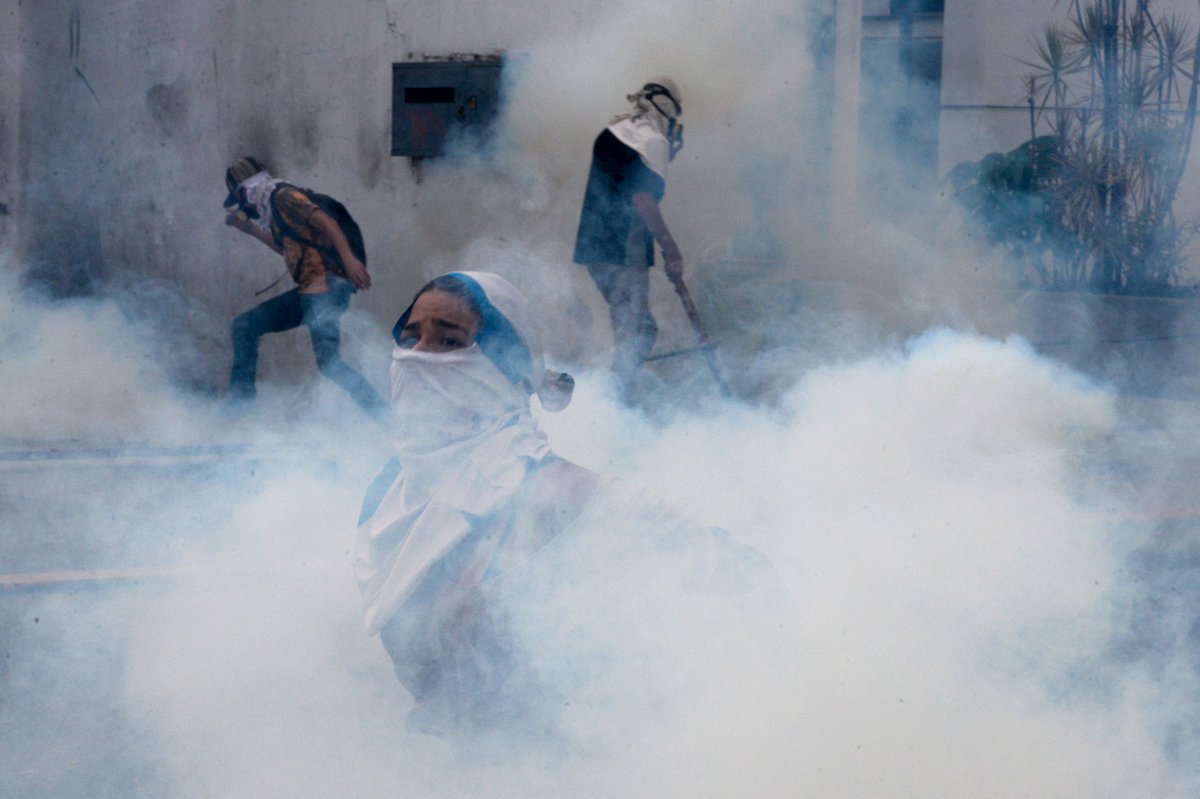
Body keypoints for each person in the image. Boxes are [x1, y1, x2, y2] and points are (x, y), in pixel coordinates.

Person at [354, 271, 792, 740]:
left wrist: (812, 714)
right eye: (409, 336)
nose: (419, 357)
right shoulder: (391, 498)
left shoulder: (568, 495)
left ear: (506, 369)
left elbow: (748, 574)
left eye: (449, 341)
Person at [222, 156, 388, 421]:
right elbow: (288, 248)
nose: (244, 205)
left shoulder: (283, 197)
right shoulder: (274, 212)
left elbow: (326, 222)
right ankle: (240, 406)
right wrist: (250, 230)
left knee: (330, 364)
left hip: (326, 290)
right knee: (245, 326)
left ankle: (384, 416)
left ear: (246, 190)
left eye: (240, 197)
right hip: (310, 293)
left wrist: (348, 260)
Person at [572, 77, 686, 401]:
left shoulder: (615, 132)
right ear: (668, 112)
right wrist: (671, 249)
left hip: (596, 250)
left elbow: (626, 179)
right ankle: (620, 407)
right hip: (624, 250)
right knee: (636, 333)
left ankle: (621, 399)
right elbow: (642, 199)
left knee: (636, 330)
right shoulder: (652, 141)